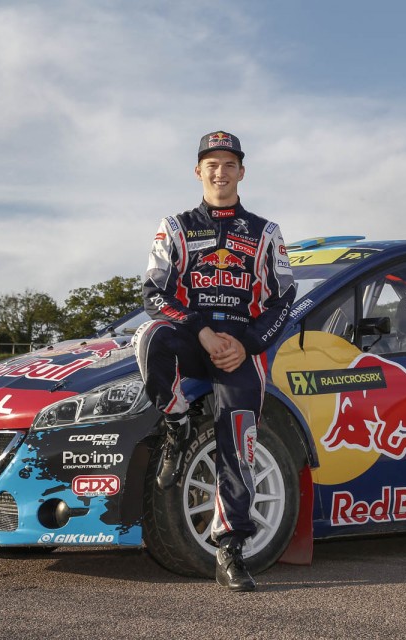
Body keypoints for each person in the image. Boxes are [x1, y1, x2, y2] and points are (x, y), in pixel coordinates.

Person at [134, 131, 295, 592]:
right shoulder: (176, 226)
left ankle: (230, 548)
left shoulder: (266, 232)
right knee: (149, 336)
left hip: (240, 348)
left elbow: (284, 298)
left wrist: (246, 343)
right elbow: (153, 293)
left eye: (229, 164)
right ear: (198, 172)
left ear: (242, 171)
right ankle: (176, 420)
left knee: (239, 431)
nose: (220, 172)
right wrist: (201, 331)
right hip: (192, 338)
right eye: (211, 165)